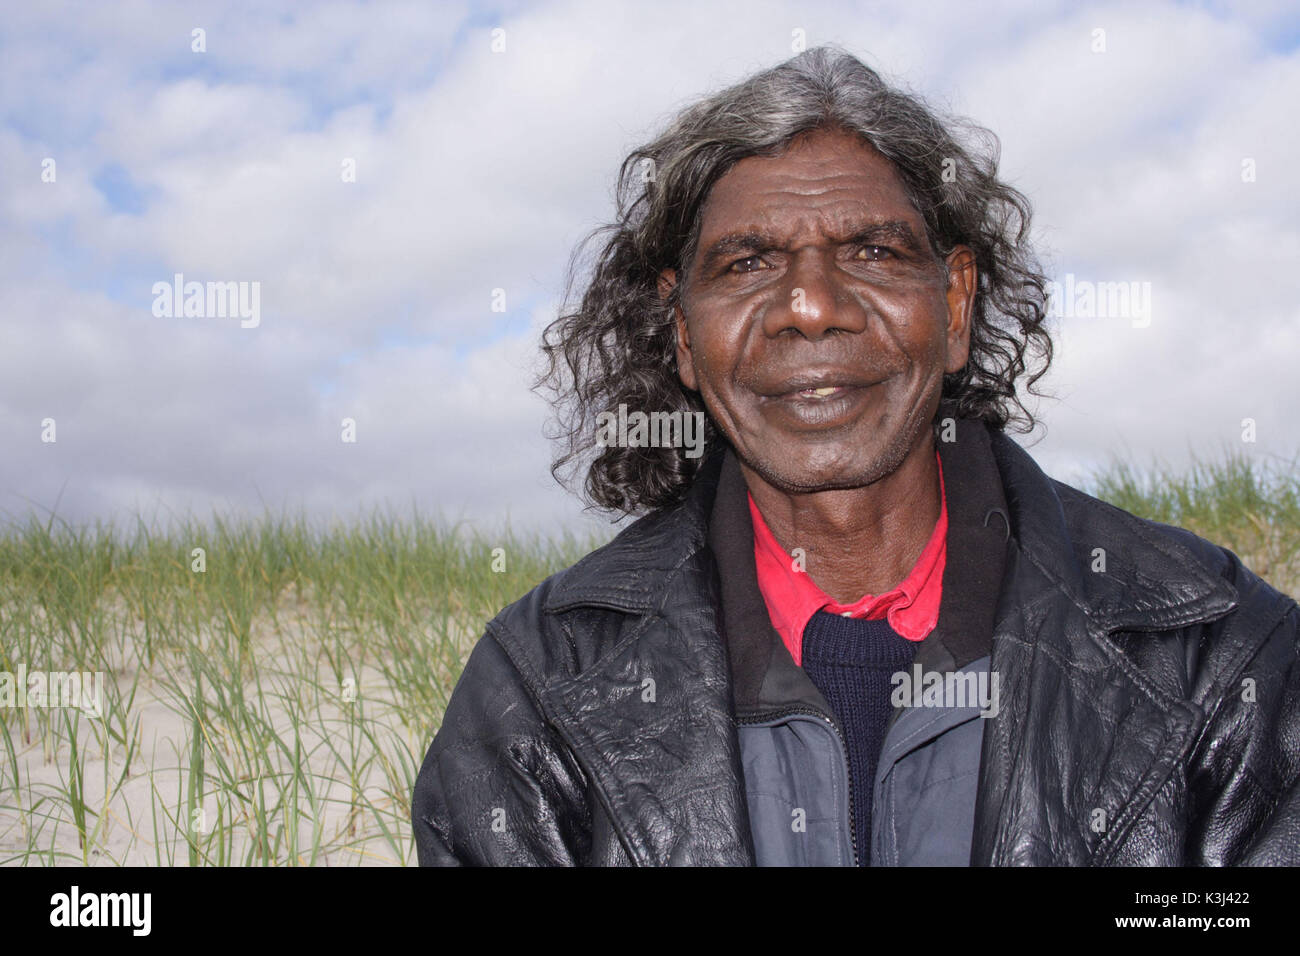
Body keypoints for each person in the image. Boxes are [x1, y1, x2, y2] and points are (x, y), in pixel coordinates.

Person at [412, 45, 1299, 866]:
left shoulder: (1219, 656)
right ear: (683, 334)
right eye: (748, 262)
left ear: (953, 308)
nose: (810, 305)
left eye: (871, 251)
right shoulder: (536, 693)